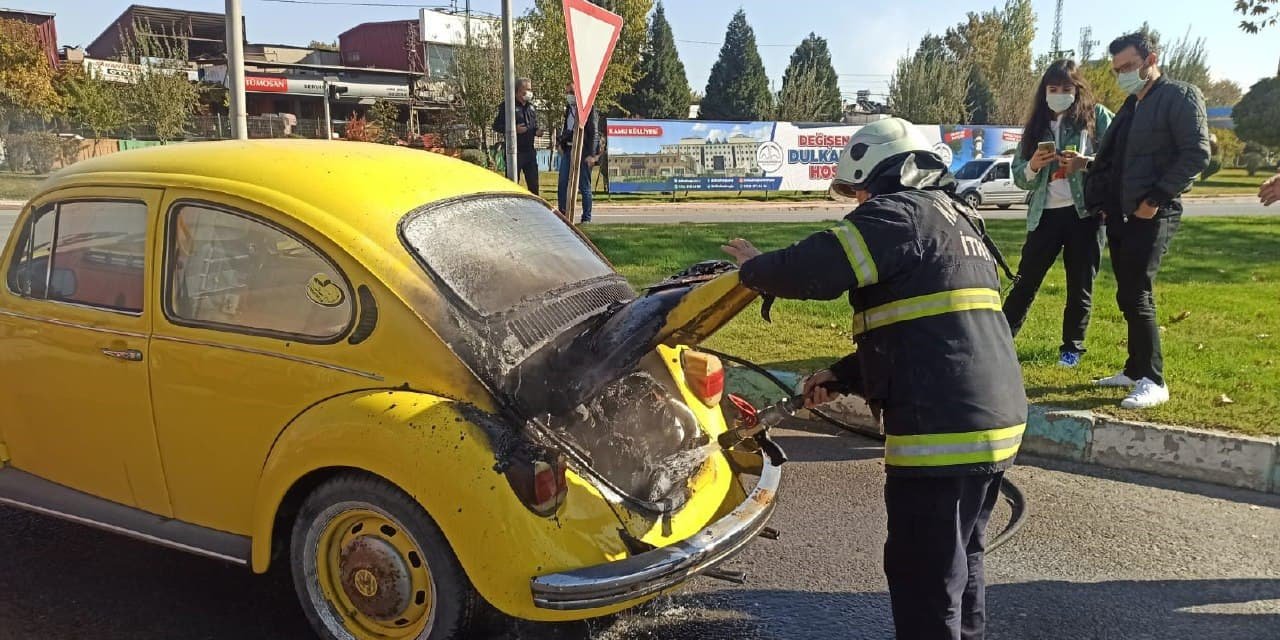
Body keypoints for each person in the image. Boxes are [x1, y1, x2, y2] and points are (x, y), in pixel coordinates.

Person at [722, 117, 1027, 640]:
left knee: (923, 580)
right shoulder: (957, 219)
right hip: (993, 417)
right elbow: (924, 330)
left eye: (860, 189)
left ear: (886, 174)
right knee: (962, 564)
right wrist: (842, 376)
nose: (858, 201)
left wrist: (755, 268)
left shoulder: (898, 215)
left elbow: (816, 266)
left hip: (943, 431)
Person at [1083, 32, 1210, 409]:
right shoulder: (1130, 105)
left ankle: (1154, 379)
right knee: (1127, 292)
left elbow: (1196, 154)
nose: (1122, 74)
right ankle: (1135, 369)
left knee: (1138, 292)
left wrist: (1154, 200)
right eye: (1117, 69)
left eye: (1128, 66)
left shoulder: (1180, 96)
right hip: (1122, 215)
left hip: (1153, 212)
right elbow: (1118, 160)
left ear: (1151, 57)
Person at [1004, 60, 1114, 368]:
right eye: (1053, 89)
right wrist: (1034, 165)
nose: (1060, 94)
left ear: (1078, 89)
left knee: (1080, 284)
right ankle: (1000, 341)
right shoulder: (1036, 126)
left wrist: (1085, 162)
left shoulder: (1097, 117)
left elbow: (1119, 158)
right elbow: (1019, 176)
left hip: (1085, 215)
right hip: (1045, 216)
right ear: (1044, 92)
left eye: (1067, 89)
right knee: (1025, 281)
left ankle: (1072, 349)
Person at [556, 82, 600, 223]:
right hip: (568, 149)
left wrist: (592, 155)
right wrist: (561, 144)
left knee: (584, 185)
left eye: (572, 93)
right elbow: (566, 128)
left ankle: (586, 218)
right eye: (567, 92)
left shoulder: (589, 109)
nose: (569, 96)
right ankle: (563, 214)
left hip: (583, 152)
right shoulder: (569, 109)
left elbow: (594, 132)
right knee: (563, 182)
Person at [492, 77, 540, 195]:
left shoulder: (531, 107)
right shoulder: (508, 106)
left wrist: (537, 131)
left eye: (530, 89)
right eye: (527, 89)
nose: (529, 92)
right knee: (512, 185)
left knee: (534, 185)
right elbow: (496, 126)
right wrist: (514, 130)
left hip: (530, 152)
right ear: (518, 91)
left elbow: (533, 125)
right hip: (515, 152)